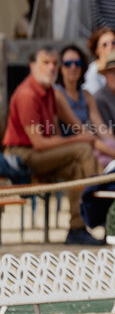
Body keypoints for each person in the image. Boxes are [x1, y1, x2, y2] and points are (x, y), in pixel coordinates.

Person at [3, 48, 104, 245]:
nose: (52, 68)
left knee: (76, 168)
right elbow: (39, 143)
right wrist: (78, 140)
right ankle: (98, 208)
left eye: (54, 63)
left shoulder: (50, 91)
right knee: (82, 149)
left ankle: (77, 228)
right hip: (19, 155)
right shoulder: (27, 94)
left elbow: (55, 133)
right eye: (46, 63)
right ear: (33, 66)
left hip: (40, 153)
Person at [53, 44, 115, 165]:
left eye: (77, 63)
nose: (73, 67)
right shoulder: (57, 93)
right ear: (60, 68)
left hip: (87, 142)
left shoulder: (87, 96)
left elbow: (101, 129)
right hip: (69, 146)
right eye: (68, 63)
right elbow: (82, 132)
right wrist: (114, 152)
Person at [83, 28, 115, 95]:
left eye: (114, 42)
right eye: (105, 44)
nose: (111, 46)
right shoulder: (93, 71)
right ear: (97, 50)